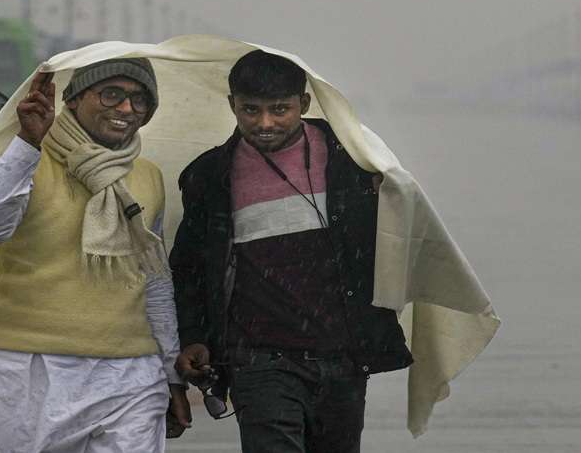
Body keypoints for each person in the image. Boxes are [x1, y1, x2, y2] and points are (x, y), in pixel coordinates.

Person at [170, 49, 413, 453]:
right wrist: (193, 336)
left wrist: (379, 197)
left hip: (343, 356)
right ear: (232, 105)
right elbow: (190, 267)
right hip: (258, 360)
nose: (265, 123)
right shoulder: (209, 176)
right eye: (251, 110)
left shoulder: (353, 161)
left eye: (279, 109)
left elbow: (400, 239)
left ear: (303, 103)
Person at [0, 58, 190, 453]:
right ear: (74, 99)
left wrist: (170, 372)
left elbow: (155, 280)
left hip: (130, 377)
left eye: (140, 101)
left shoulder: (148, 177)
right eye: (112, 95)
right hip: (27, 372)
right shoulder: (28, 160)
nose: (127, 110)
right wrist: (27, 143)